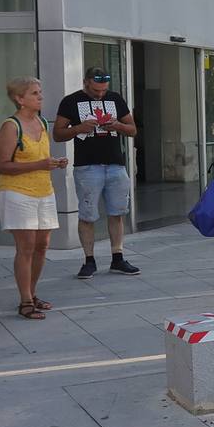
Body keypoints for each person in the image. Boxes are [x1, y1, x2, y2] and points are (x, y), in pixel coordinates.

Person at [54, 67, 141, 279]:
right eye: (95, 91)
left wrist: (118, 125)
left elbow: (133, 130)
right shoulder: (70, 101)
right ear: (85, 83)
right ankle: (89, 260)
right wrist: (78, 128)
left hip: (115, 164)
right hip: (87, 166)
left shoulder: (115, 99)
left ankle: (117, 257)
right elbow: (57, 134)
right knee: (87, 214)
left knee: (117, 212)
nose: (100, 94)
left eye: (103, 91)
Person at [0, 77, 66, 321]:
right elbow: (3, 165)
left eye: (40, 92)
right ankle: (25, 300)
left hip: (44, 190)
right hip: (17, 191)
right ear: (19, 98)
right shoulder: (11, 126)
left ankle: (32, 294)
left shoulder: (41, 122)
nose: (40, 97)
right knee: (25, 247)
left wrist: (53, 163)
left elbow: (41, 158)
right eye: (35, 93)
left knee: (42, 246)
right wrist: (41, 164)